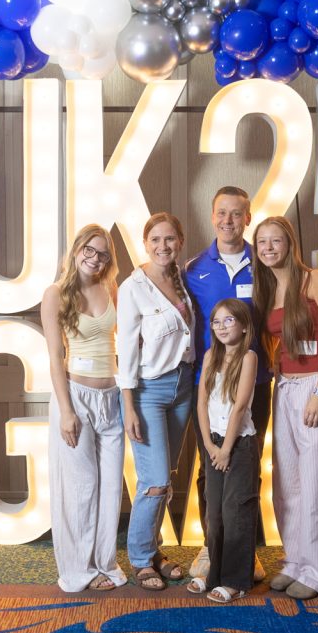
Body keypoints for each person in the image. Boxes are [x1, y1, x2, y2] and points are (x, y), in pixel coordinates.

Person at [252, 216, 318, 600]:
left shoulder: (315, 280)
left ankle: (317, 572)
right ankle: (295, 561)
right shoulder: (269, 288)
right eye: (262, 242)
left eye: (276, 241)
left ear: (290, 244)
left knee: (315, 482)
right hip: (286, 387)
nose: (269, 248)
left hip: (316, 387)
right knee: (288, 483)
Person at [185, 186, 270, 580]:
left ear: (248, 218)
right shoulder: (193, 269)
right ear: (212, 216)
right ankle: (211, 546)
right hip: (209, 386)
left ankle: (244, 551)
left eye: (236, 214)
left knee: (247, 467)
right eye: (222, 213)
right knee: (210, 468)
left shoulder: (264, 262)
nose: (228, 221)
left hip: (256, 381)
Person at [42, 224, 126, 592]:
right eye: (88, 250)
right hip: (75, 396)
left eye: (102, 253)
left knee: (111, 486)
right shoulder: (55, 294)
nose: (94, 258)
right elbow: (54, 356)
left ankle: (104, 562)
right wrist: (66, 411)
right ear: (76, 251)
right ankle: (79, 569)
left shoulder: (111, 289)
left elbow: (123, 341)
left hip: (112, 398)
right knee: (82, 486)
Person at [117, 212, 195, 591]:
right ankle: (140, 559)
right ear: (145, 244)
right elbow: (126, 347)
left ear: (180, 241)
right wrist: (129, 404)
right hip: (148, 390)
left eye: (170, 239)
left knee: (167, 477)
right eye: (155, 240)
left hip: (184, 386)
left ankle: (154, 551)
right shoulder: (133, 287)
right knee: (154, 480)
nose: (163, 246)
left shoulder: (183, 277)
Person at [186, 298, 259, 603]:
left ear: (243, 326)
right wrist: (208, 444)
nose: (222, 327)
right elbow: (201, 402)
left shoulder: (249, 357)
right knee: (214, 515)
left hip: (238, 445)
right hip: (214, 444)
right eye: (216, 322)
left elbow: (239, 406)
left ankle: (236, 581)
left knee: (235, 512)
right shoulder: (210, 356)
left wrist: (226, 449)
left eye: (229, 320)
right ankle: (213, 575)